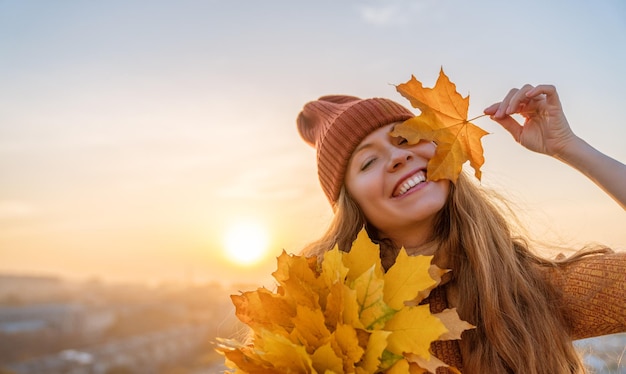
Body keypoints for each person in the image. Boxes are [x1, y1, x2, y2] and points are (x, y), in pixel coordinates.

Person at [296, 83, 626, 374]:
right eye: (368, 162)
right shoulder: (327, 317)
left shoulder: (525, 290)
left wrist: (568, 146)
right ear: (350, 205)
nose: (398, 157)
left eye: (407, 137)